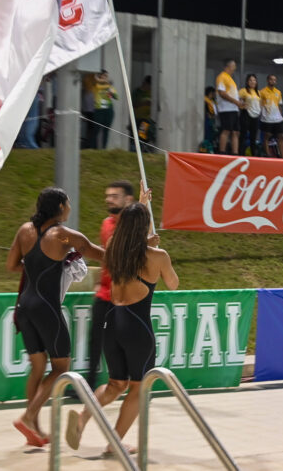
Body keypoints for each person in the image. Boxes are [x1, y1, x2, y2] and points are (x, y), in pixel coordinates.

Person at [65, 195, 177, 456]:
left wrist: (141, 206)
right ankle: (115, 443)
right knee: (139, 388)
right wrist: (159, 253)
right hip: (137, 328)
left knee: (116, 384)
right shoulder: (157, 256)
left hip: (111, 322)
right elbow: (173, 284)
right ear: (145, 227)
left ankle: (82, 418)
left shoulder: (114, 246)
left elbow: (131, 239)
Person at [6, 187, 105, 448]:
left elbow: (12, 265)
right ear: (60, 207)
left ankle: (35, 428)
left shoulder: (25, 230)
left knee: (37, 368)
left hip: (24, 307)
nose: (70, 207)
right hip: (46, 309)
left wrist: (37, 264)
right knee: (61, 368)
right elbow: (99, 254)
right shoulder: (63, 235)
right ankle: (28, 417)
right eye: (68, 203)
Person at [86, 181, 137, 391]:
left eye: (114, 196)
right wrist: (99, 282)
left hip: (125, 295)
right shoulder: (106, 223)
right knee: (95, 339)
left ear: (128, 199)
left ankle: (137, 386)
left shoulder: (135, 227)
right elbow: (104, 256)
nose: (109, 200)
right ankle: (88, 385)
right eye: (108, 196)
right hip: (105, 293)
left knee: (126, 342)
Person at [215, 59, 244, 155]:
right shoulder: (222, 77)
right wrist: (236, 102)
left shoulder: (230, 79)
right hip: (226, 109)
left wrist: (239, 102)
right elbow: (222, 93)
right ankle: (222, 152)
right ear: (228, 66)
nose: (235, 68)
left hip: (234, 109)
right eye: (233, 66)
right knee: (226, 130)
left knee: (236, 132)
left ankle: (235, 153)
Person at [259, 74, 283, 158]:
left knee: (281, 136)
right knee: (267, 136)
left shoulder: (278, 92)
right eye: (271, 79)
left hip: (278, 119)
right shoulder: (262, 92)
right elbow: (259, 105)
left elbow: (279, 105)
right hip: (267, 119)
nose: (273, 81)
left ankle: (282, 157)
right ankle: (268, 156)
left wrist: (281, 116)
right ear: (268, 80)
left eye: (274, 80)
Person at [92, 70, 118, 149]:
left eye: (107, 76)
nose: (106, 78)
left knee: (106, 131)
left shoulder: (109, 86)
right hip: (99, 110)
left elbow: (116, 97)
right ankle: (94, 149)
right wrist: (108, 84)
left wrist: (111, 93)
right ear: (100, 76)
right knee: (96, 130)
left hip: (108, 110)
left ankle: (104, 148)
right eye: (104, 76)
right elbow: (97, 86)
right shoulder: (96, 85)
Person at [238, 74, 262, 155]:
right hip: (246, 114)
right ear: (247, 82)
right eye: (250, 80)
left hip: (256, 116)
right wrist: (242, 105)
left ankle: (253, 155)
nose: (252, 82)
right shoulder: (243, 91)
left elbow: (260, 104)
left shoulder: (258, 92)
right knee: (243, 135)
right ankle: (241, 153)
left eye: (254, 80)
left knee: (253, 136)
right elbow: (238, 100)